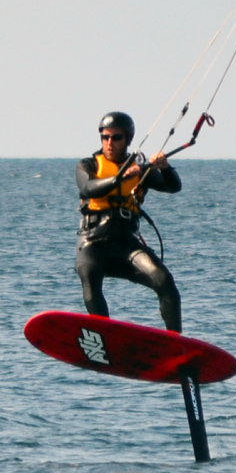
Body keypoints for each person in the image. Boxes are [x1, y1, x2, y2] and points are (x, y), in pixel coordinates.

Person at [75, 111, 183, 332]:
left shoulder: (140, 171)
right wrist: (120, 178)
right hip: (94, 243)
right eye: (105, 137)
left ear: (128, 140)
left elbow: (173, 187)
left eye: (116, 137)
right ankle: (104, 335)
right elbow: (87, 188)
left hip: (126, 245)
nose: (109, 142)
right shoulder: (89, 165)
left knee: (165, 281)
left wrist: (165, 167)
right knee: (88, 274)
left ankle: (176, 340)